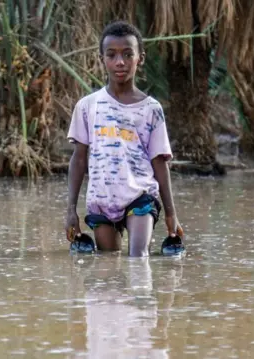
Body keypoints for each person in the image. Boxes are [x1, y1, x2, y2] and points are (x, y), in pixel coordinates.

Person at [64, 20, 184, 257]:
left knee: (139, 258)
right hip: (101, 199)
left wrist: (171, 214)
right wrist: (71, 210)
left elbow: (160, 163)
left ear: (140, 58)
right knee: (107, 265)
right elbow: (78, 160)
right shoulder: (87, 106)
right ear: (102, 59)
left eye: (128, 54)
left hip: (140, 196)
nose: (120, 62)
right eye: (112, 55)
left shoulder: (151, 109)